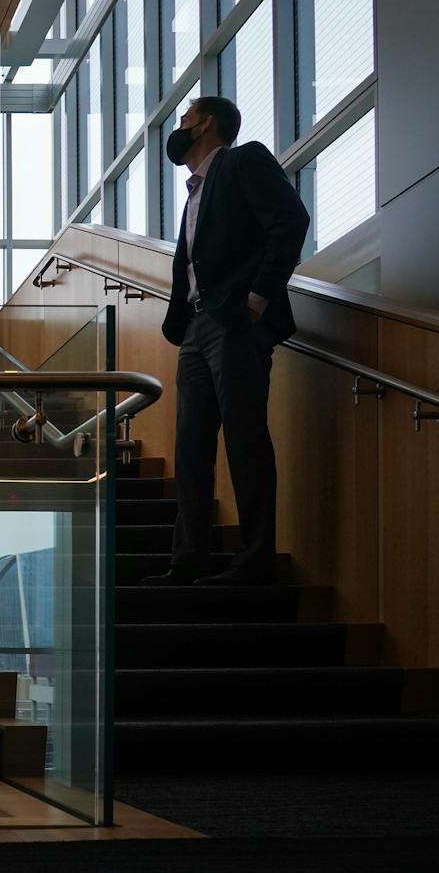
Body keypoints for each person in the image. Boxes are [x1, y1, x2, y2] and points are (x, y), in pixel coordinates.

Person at [142, 96, 310, 587]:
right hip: (195, 326)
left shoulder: (243, 160)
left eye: (185, 117)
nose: (179, 126)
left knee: (244, 439)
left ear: (207, 123)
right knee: (191, 445)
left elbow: (290, 222)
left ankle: (255, 559)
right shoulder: (195, 192)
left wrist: (256, 300)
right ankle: (189, 559)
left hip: (235, 322)